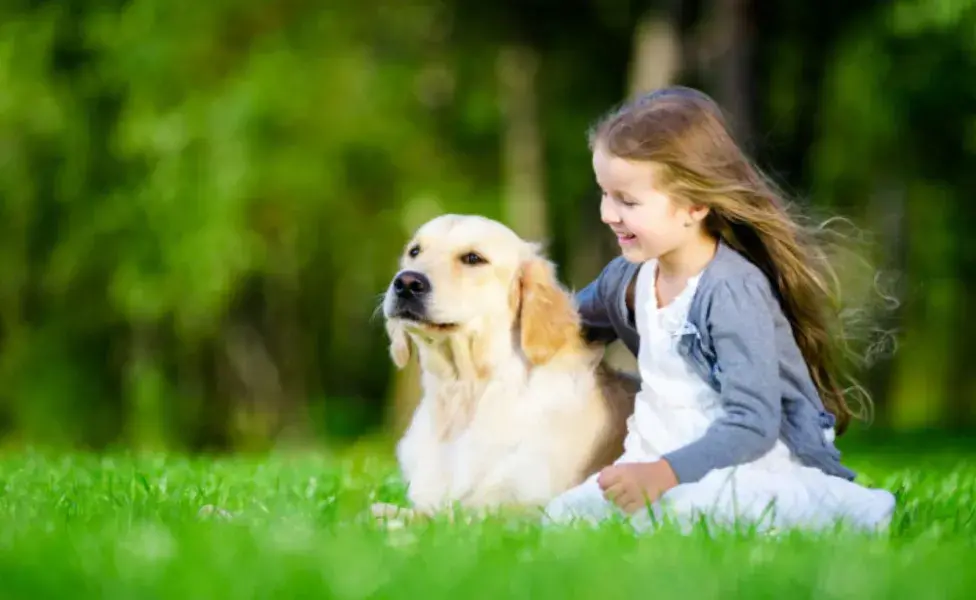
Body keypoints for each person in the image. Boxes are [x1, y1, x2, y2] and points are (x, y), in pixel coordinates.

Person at [542, 86, 896, 534]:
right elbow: (561, 330)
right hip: (655, 463)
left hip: (749, 463)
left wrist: (663, 474)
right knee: (563, 518)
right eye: (605, 194)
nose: (607, 214)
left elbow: (754, 424)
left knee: (691, 519)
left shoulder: (731, 290)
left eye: (627, 201)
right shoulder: (626, 280)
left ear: (694, 205)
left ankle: (837, 506)